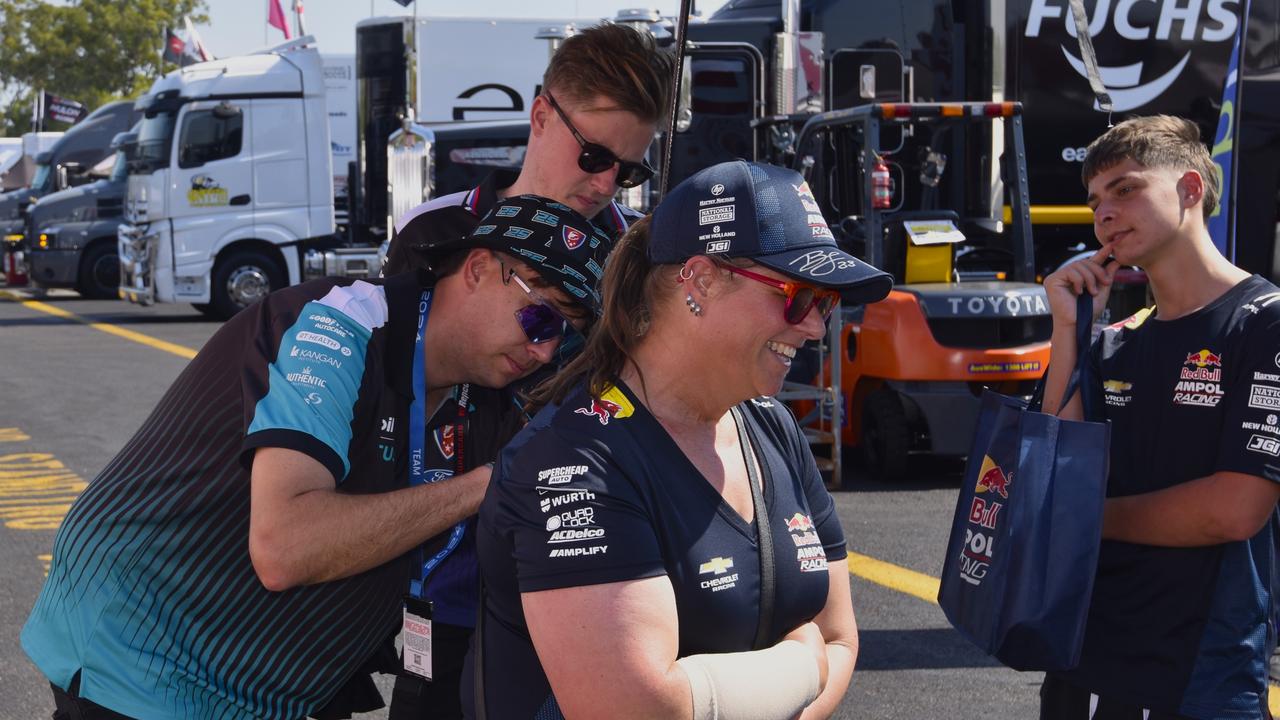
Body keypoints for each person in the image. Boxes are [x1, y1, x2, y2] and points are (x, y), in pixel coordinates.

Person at [20, 196, 614, 720]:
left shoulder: (483, 385)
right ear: (480, 270)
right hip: (144, 656)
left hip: (265, 678)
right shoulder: (336, 327)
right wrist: (489, 482)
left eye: (564, 337)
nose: (543, 351)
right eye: (541, 317)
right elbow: (286, 547)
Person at [465, 160, 893, 720]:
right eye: (796, 296)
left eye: (826, 302)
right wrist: (803, 667)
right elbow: (631, 708)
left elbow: (838, 638)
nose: (815, 325)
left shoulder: (772, 427)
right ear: (701, 279)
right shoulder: (572, 459)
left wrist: (797, 671)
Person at [380, 22, 674, 720]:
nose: (606, 183)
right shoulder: (434, 233)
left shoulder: (640, 264)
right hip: (439, 593)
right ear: (542, 114)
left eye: (628, 170)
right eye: (595, 154)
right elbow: (385, 399)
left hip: (577, 587)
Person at [1040, 115, 1280, 719]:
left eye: (1126, 189)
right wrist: (1068, 329)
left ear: (1190, 189)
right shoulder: (1113, 339)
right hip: (1085, 655)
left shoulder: (1263, 322)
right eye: (1095, 201)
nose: (1105, 214)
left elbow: (1234, 509)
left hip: (1203, 669)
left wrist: (1086, 522)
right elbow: (1054, 470)